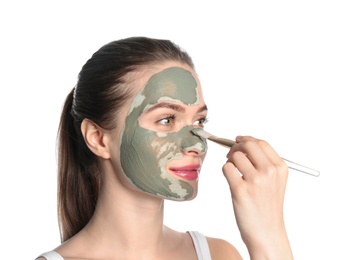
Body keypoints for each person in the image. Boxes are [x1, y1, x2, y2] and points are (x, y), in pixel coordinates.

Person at [36, 36, 293, 260]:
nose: (196, 143)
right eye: (167, 120)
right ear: (98, 138)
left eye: (199, 121)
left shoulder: (219, 255)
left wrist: (268, 237)